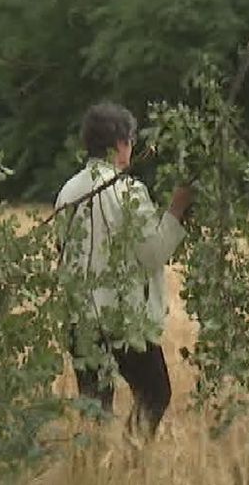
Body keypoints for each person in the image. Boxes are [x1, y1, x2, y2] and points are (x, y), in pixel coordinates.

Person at [55, 102, 192, 438]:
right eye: (130, 141)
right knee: (155, 393)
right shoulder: (128, 192)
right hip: (124, 319)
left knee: (94, 408)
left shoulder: (67, 192)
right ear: (120, 143)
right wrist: (176, 210)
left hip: (79, 318)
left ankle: (92, 464)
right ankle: (131, 458)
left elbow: (62, 251)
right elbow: (153, 254)